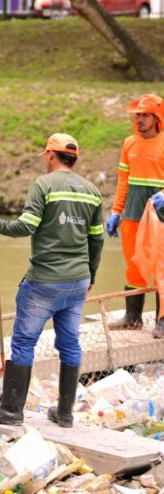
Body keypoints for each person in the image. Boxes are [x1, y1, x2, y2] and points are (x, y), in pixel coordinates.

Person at [0, 133, 104, 428]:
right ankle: (64, 413)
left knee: (23, 342)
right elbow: (96, 240)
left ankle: (10, 411)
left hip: (44, 281)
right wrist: (91, 276)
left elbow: (27, 225)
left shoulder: (43, 185)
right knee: (70, 345)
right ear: (74, 158)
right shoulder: (92, 191)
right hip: (77, 281)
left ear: (50, 155)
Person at [105, 94, 164, 337]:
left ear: (157, 117)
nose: (139, 119)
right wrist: (116, 212)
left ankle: (163, 322)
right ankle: (132, 317)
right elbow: (123, 182)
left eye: (144, 115)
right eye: (137, 115)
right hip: (132, 216)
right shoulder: (129, 143)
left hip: (160, 216)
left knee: (162, 268)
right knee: (134, 266)